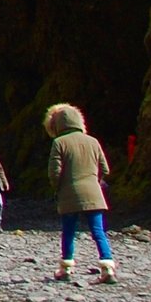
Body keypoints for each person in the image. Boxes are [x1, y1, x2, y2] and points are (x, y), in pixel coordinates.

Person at [44, 104, 115, 283]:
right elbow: (105, 169)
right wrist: (94, 181)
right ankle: (108, 269)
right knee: (98, 231)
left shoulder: (59, 142)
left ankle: (66, 268)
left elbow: (54, 172)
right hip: (94, 192)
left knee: (68, 231)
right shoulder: (93, 141)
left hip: (69, 193)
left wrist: (58, 187)